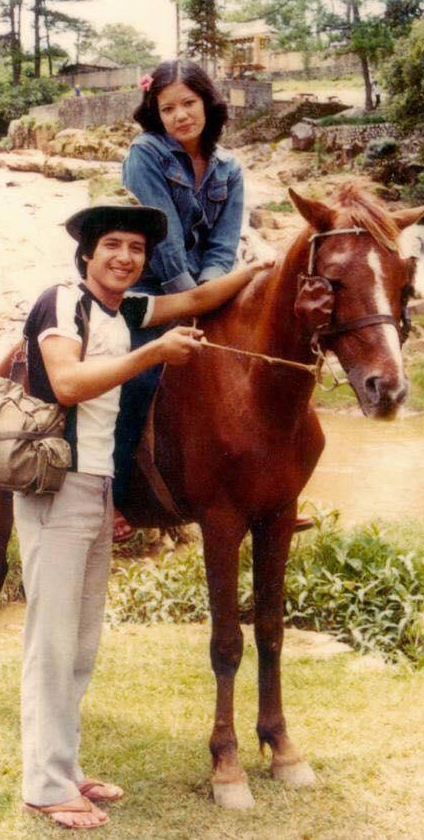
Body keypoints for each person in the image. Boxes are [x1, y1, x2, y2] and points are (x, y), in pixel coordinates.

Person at [16, 202, 270, 830]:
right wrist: (154, 354)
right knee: (52, 641)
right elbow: (68, 384)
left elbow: (198, 299)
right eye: (112, 245)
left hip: (98, 487)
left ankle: (64, 768)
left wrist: (263, 268)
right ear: (87, 253)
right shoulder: (62, 303)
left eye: (135, 248)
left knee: (80, 644)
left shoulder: (126, 310)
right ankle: (44, 786)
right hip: (56, 485)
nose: (125, 257)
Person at [114, 57, 312, 540]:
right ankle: (114, 495)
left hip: (213, 285)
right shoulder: (145, 155)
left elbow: (224, 244)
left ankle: (277, 489)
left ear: (207, 103)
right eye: (167, 109)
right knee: (137, 378)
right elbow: (163, 238)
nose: (180, 116)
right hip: (153, 286)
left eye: (188, 103)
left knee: (274, 366)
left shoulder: (230, 168)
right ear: (155, 114)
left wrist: (214, 293)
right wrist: (195, 299)